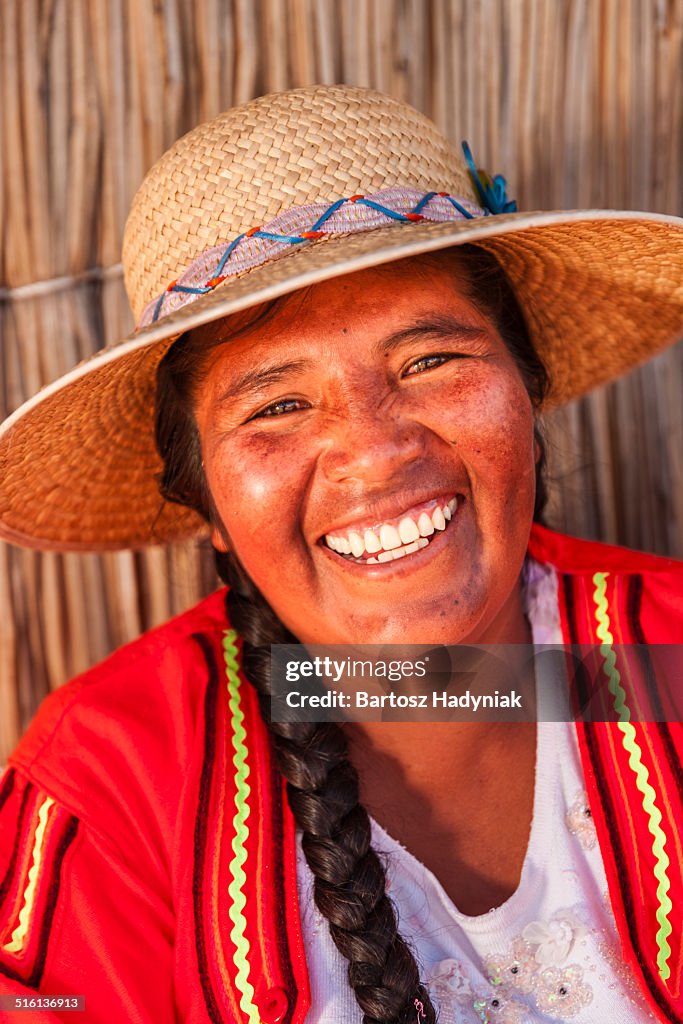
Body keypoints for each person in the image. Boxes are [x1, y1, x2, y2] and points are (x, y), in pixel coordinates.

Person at [0, 85, 681, 1024]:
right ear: (204, 501)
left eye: (430, 360)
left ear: (529, 397)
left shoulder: (669, 660)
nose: (376, 449)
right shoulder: (113, 783)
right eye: (276, 406)